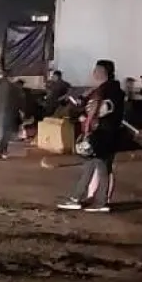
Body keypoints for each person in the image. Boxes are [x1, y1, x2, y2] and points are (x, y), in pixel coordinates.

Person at [58, 59, 125, 213]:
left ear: (102, 72)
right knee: (98, 167)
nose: (93, 73)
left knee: (97, 167)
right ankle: (92, 200)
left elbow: (100, 110)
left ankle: (84, 199)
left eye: (96, 70)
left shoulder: (105, 91)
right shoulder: (114, 90)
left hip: (101, 134)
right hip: (108, 133)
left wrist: (86, 119)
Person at [0, 70, 23, 159]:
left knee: (3, 132)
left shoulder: (2, 86)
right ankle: (2, 150)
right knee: (5, 133)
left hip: (3, 112)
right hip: (8, 113)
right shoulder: (14, 88)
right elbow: (19, 102)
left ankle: (1, 150)